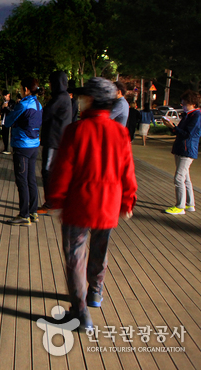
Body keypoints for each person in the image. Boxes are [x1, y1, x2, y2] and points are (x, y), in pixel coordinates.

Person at [49, 77, 137, 330]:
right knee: (100, 249)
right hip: (109, 204)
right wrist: (128, 201)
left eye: (83, 96)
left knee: (76, 256)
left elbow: (62, 170)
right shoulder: (119, 132)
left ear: (91, 100)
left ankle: (80, 313)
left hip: (80, 204)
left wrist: (56, 199)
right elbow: (127, 172)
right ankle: (95, 293)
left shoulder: (76, 130)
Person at [5, 77, 43, 226]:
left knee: (22, 180)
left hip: (22, 145)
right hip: (34, 145)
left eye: (21, 88)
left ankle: (24, 215)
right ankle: (33, 212)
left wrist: (10, 111)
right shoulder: (39, 104)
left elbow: (8, 121)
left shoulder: (24, 104)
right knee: (31, 179)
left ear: (26, 89)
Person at [37, 71, 72, 215]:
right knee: (54, 172)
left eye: (51, 82)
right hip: (59, 139)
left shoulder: (59, 98)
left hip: (54, 140)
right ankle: (57, 200)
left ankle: (50, 203)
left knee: (47, 171)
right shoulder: (64, 97)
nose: (50, 85)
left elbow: (45, 114)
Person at [162, 90, 201, 215]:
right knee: (185, 177)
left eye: (185, 103)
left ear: (193, 103)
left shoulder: (196, 115)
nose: (183, 105)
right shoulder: (189, 115)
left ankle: (180, 206)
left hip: (187, 149)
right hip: (182, 148)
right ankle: (190, 204)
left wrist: (173, 127)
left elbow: (188, 134)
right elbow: (182, 132)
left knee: (179, 177)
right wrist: (173, 127)